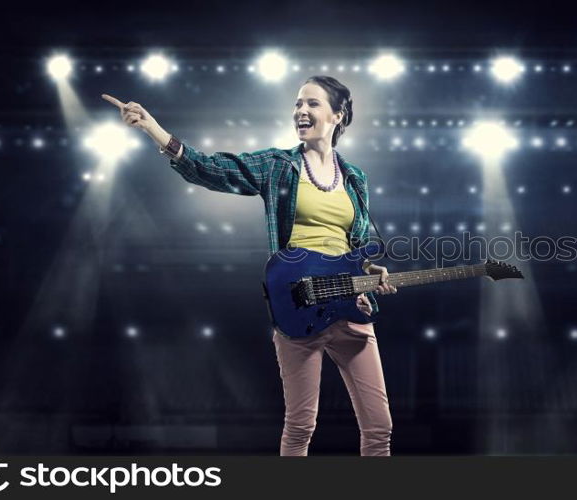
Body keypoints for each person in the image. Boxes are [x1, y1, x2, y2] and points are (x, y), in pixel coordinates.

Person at [102, 75, 399, 456]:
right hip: (300, 308)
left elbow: (355, 244)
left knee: (380, 428)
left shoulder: (356, 179)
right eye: (297, 104)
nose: (301, 111)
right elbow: (211, 169)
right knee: (300, 425)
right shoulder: (278, 165)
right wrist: (154, 129)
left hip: (351, 309)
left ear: (338, 115)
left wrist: (370, 272)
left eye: (312, 103)